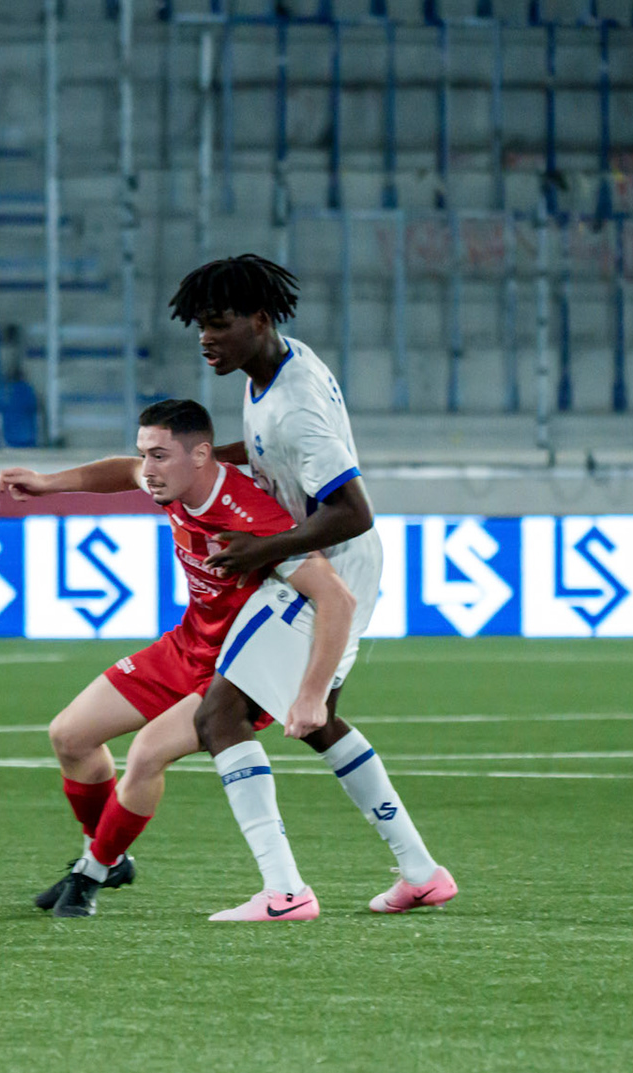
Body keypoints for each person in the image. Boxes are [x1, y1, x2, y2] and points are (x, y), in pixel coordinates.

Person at [170, 254, 456, 919]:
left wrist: (262, 549)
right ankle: (420, 872)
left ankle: (285, 892)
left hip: (326, 570)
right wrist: (204, 461)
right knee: (315, 719)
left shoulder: (294, 405)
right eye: (201, 326)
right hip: (337, 565)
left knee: (219, 717)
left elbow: (353, 509)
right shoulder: (275, 366)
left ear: (259, 319)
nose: (206, 339)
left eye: (219, 324)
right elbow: (270, 453)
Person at [0, 399, 357, 918]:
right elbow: (122, 471)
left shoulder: (251, 514)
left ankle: (91, 874)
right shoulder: (171, 481)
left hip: (239, 667)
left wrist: (311, 695)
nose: (147, 468)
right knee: (70, 736)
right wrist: (47, 483)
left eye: (159, 455)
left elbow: (337, 599)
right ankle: (108, 854)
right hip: (188, 645)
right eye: (145, 453)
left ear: (201, 455)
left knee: (147, 753)